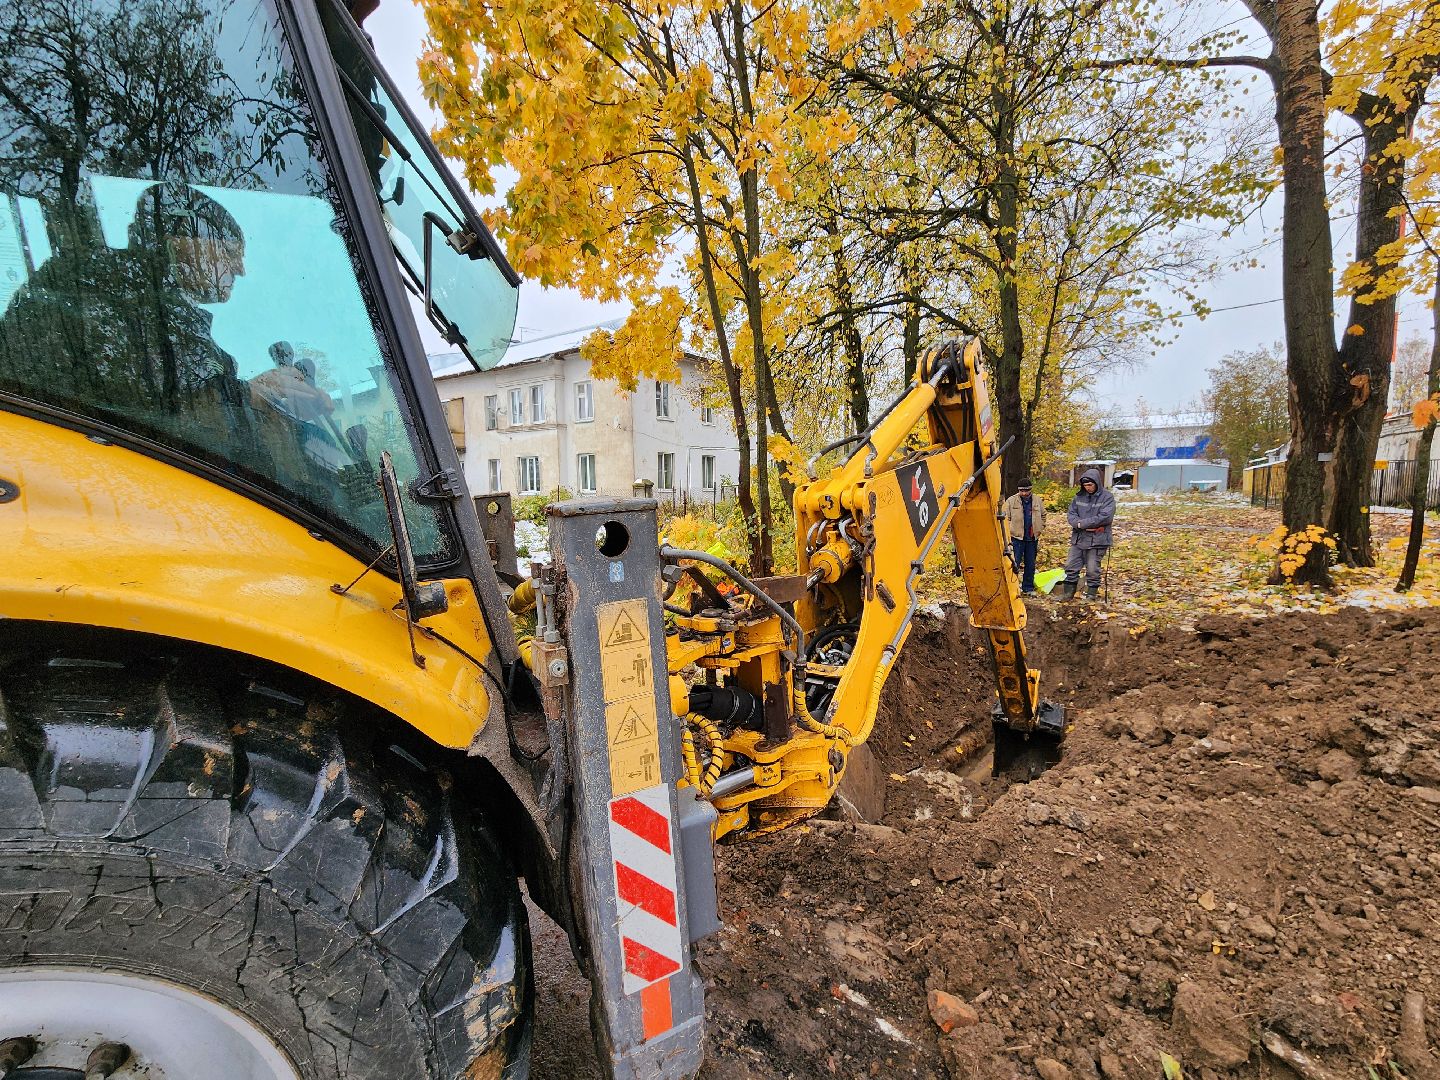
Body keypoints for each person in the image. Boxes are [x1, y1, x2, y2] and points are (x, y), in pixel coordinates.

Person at [1060, 468, 1115, 600]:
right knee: (1071, 565)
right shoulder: (1078, 497)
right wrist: (1077, 523)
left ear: (1096, 483)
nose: (1088, 488)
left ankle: (1091, 594)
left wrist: (1083, 524)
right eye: (1085, 485)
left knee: (1092, 568)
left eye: (1090, 485)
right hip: (1079, 538)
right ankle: (1068, 593)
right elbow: (1071, 514)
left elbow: (1105, 517)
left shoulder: (1107, 497)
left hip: (1098, 539)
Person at [1001, 478, 1046, 594]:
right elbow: (1005, 519)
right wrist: (1009, 534)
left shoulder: (1037, 500)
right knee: (1013, 563)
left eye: (1027, 491)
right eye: (1022, 491)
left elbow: (1043, 515)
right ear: (1018, 490)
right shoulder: (1011, 501)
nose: (1024, 493)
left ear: (1031, 490)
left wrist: (1040, 528)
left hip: (1032, 538)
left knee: (1030, 564)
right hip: (1016, 538)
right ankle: (1013, 589)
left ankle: (1028, 588)